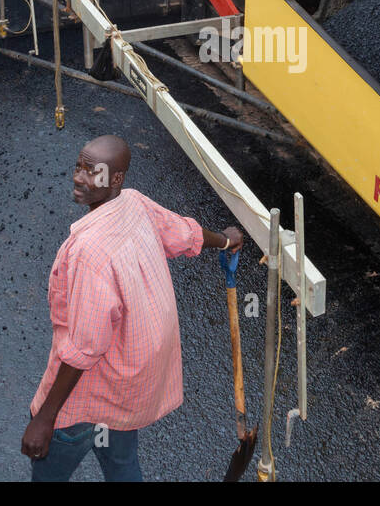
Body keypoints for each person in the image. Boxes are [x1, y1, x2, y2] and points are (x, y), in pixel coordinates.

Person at [21, 135, 245, 481]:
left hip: (88, 392)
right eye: (78, 167)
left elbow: (85, 347)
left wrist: (45, 418)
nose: (79, 177)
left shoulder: (88, 251)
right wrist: (227, 240)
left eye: (91, 172)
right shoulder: (134, 203)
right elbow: (184, 233)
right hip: (127, 386)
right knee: (122, 464)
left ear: (116, 180)